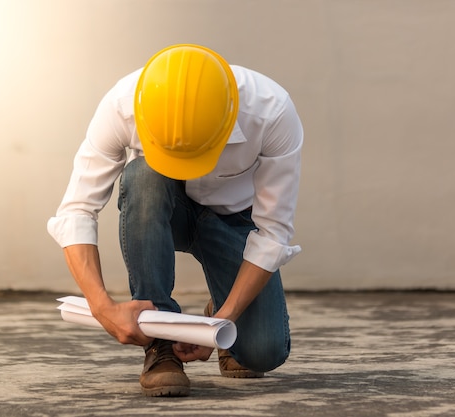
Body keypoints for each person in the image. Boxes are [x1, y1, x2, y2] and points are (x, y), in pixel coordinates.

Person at [47, 44, 303, 397]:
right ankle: (161, 343)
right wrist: (101, 306)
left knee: (263, 352)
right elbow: (76, 211)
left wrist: (220, 321)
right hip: (162, 211)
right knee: (142, 177)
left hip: (234, 221)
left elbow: (273, 232)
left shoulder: (272, 111)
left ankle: (221, 301)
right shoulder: (123, 104)